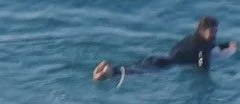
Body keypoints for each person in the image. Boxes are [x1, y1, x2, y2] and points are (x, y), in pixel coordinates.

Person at [94, 16, 232, 80]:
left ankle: (110, 68)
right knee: (138, 73)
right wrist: (205, 74)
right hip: (165, 65)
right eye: (212, 32)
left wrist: (227, 46)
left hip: (158, 57)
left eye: (216, 31)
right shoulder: (203, 48)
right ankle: (111, 73)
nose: (215, 34)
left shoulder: (190, 38)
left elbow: (211, 45)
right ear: (203, 31)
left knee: (136, 67)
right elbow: (202, 67)